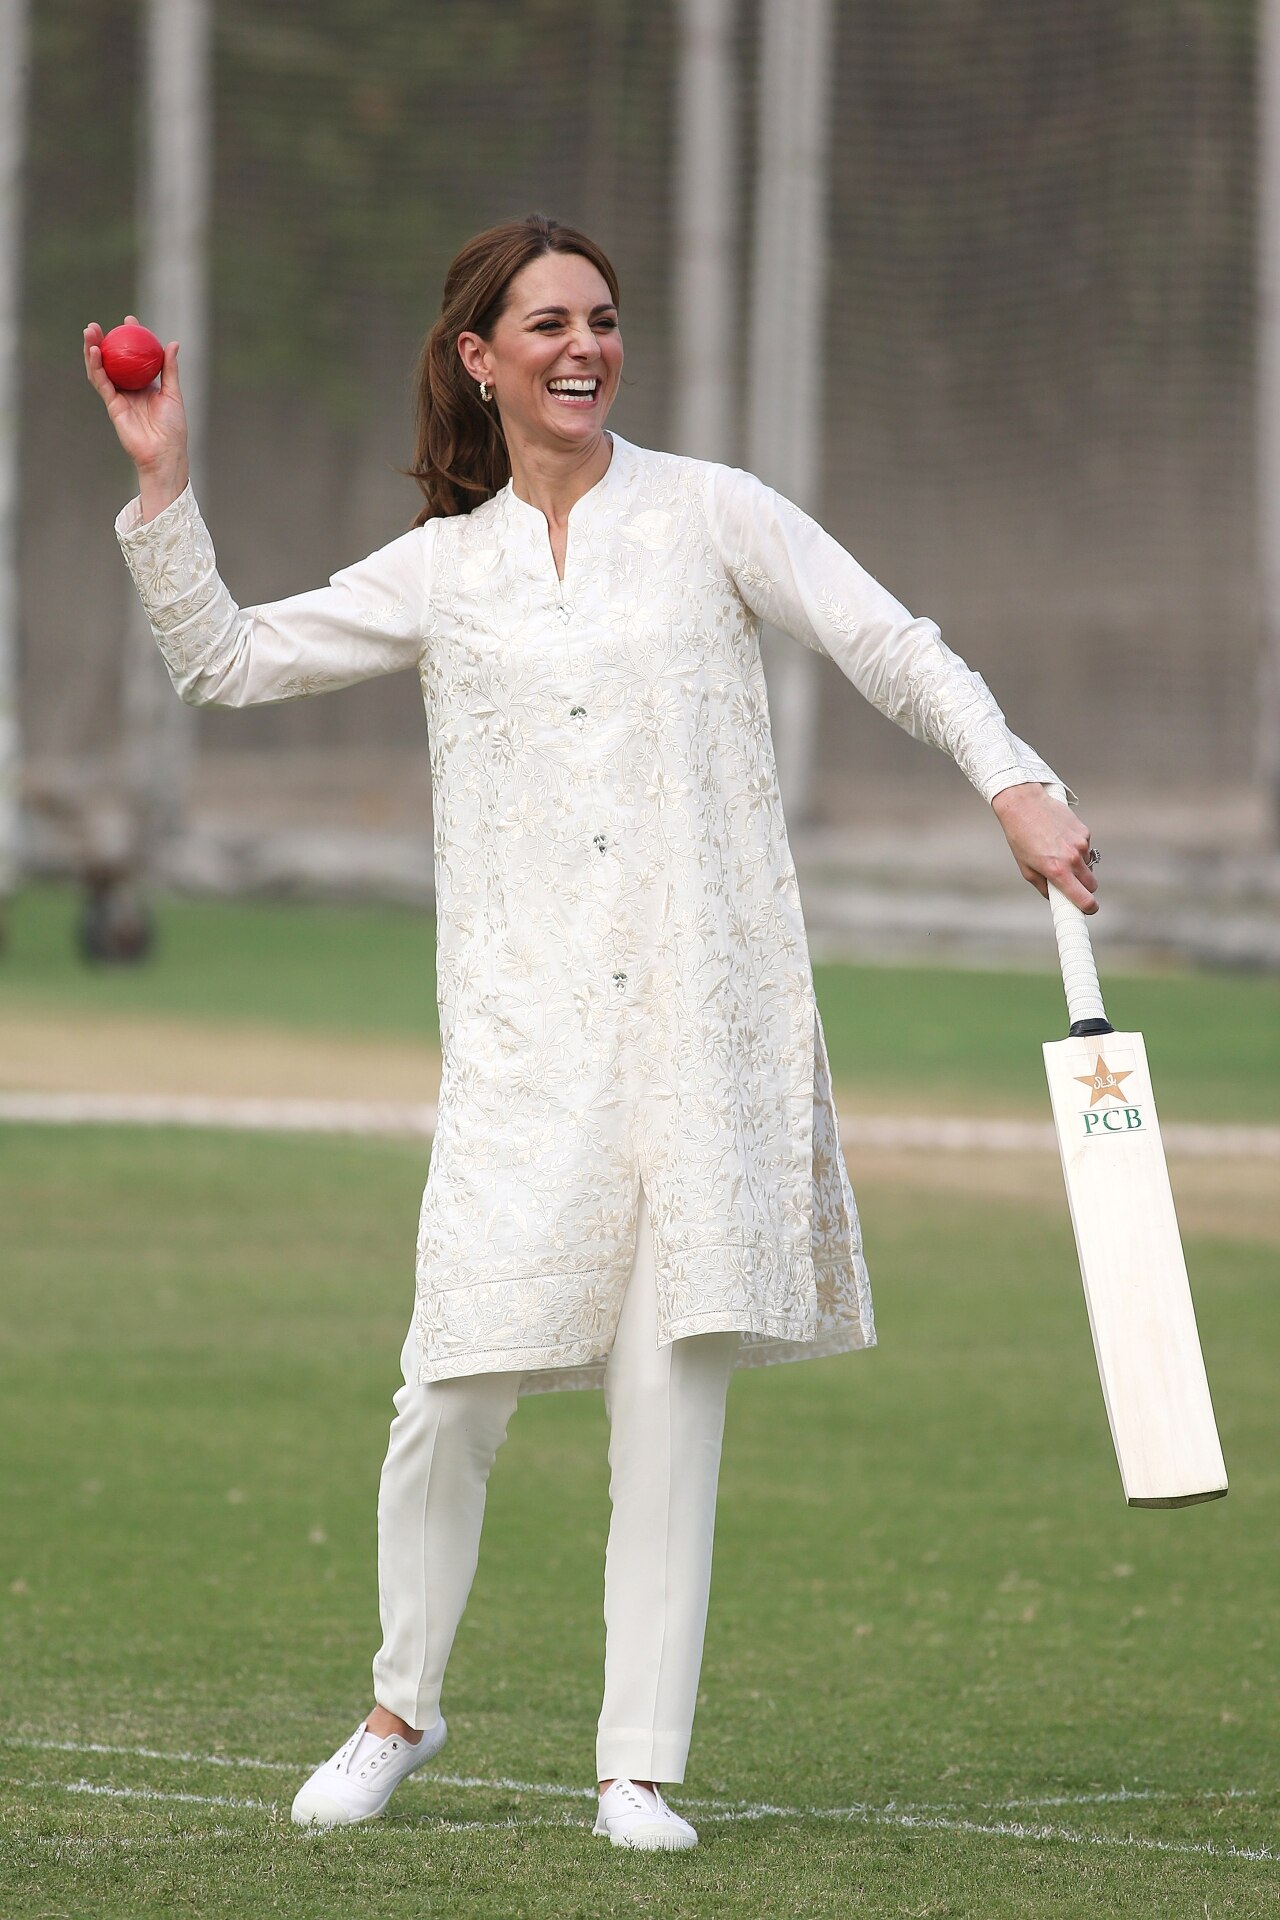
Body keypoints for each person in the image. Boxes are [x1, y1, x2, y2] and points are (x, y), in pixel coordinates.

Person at [85, 212, 1098, 1852]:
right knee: (447, 1394)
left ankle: (635, 1766)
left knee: (668, 1404)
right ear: (478, 358)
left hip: (705, 1029)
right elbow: (223, 659)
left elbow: (886, 642)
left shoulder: (712, 515)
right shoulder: (443, 569)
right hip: (522, 1048)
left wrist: (1013, 776)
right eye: (546, 323)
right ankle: (398, 1709)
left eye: (604, 321)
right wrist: (161, 480)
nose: (583, 347)